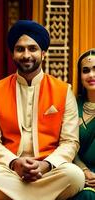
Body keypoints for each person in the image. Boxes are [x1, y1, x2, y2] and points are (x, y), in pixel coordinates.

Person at [0, 20, 85, 200]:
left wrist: (47, 165)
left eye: (32, 48)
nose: (26, 55)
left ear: (43, 52)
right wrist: (14, 163)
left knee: (74, 176)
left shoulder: (63, 90)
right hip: (10, 170)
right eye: (20, 49)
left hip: (49, 170)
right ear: (12, 53)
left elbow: (70, 142)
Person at [73, 48, 95, 199]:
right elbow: (67, 145)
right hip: (78, 174)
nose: (91, 75)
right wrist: (84, 170)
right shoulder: (72, 105)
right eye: (86, 70)